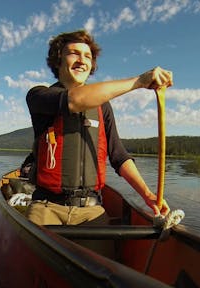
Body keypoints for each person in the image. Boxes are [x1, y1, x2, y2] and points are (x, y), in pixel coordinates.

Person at [25, 30, 172, 225]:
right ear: (58, 60)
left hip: (91, 210)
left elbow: (119, 156)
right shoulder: (38, 95)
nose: (82, 60)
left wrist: (147, 194)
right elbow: (74, 100)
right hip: (47, 207)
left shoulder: (103, 107)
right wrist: (139, 82)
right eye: (74, 53)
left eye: (87, 56)